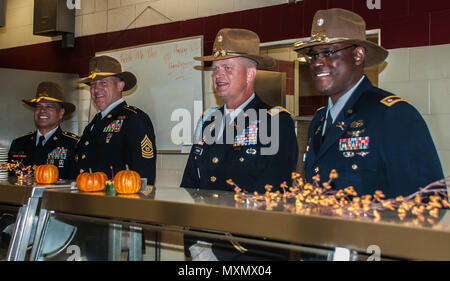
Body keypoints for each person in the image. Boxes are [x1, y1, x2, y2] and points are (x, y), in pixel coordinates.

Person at [294, 8, 444, 198]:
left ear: (358, 55)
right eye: (314, 55)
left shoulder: (393, 116)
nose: (317, 62)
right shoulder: (319, 121)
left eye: (329, 52)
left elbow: (429, 204)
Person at [181, 28, 299, 261]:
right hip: (203, 248)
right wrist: (195, 243)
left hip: (248, 254)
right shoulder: (208, 120)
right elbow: (190, 186)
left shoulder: (274, 121)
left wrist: (218, 251)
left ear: (250, 74)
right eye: (215, 68)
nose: (218, 75)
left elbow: (269, 198)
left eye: (227, 68)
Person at [77, 55, 157, 184]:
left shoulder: (134, 119)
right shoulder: (93, 124)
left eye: (103, 83)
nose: (96, 90)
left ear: (120, 85)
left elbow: (144, 173)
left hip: (118, 201)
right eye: (92, 85)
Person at [8, 81, 79, 179]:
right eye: (38, 106)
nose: (42, 110)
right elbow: (9, 179)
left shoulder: (73, 144)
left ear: (61, 112)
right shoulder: (19, 144)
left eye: (49, 106)